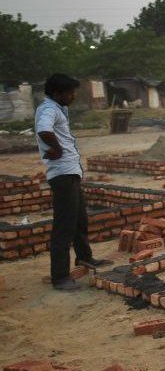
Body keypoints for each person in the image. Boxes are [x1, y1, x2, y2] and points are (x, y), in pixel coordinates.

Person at [35, 74, 110, 291]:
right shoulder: (49, 110)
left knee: (79, 220)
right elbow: (43, 130)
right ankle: (60, 277)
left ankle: (84, 257)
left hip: (70, 172)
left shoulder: (58, 108)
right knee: (64, 227)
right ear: (58, 93)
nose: (74, 96)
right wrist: (57, 149)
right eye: (70, 92)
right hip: (62, 175)